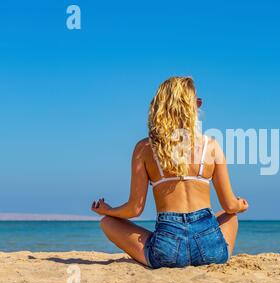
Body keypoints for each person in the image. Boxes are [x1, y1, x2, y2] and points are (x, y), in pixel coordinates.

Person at [91, 76, 249, 268]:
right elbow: (229, 205)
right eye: (196, 103)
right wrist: (240, 205)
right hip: (209, 248)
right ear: (189, 109)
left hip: (168, 247)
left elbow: (134, 209)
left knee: (107, 222)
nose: (199, 108)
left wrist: (108, 210)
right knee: (229, 215)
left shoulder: (144, 149)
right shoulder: (212, 146)